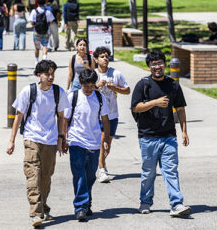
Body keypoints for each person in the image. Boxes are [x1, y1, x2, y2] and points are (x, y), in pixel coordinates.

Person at [7, 60, 70, 227]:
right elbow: (18, 117)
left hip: (50, 139)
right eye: (47, 74)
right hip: (31, 137)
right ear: (38, 75)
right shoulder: (29, 91)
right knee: (33, 175)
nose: (50, 77)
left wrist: (61, 139)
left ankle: (43, 205)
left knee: (46, 177)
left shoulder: (58, 92)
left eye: (52, 74)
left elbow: (61, 117)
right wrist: (12, 140)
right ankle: (36, 214)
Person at [131, 51, 191, 217]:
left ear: (165, 64)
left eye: (159, 63)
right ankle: (145, 201)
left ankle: (176, 204)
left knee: (171, 171)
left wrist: (184, 131)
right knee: (148, 173)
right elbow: (135, 107)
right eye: (153, 64)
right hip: (147, 136)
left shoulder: (173, 85)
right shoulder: (143, 84)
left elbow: (180, 109)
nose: (157, 67)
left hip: (168, 136)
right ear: (149, 67)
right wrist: (155, 103)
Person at [63, 69, 111, 221]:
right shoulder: (73, 97)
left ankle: (86, 202)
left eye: (91, 85)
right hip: (76, 141)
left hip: (94, 142)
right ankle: (80, 207)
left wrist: (106, 141)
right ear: (81, 84)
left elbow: (105, 120)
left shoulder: (100, 97)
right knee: (80, 175)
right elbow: (64, 119)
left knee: (90, 176)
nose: (89, 89)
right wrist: (63, 139)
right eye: (86, 86)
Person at [93, 47, 130, 183]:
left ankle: (101, 163)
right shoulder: (92, 74)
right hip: (97, 116)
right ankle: (102, 170)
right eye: (102, 56)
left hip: (112, 115)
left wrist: (114, 88)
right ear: (96, 59)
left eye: (107, 56)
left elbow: (127, 90)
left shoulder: (116, 74)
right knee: (102, 142)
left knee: (108, 144)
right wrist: (97, 85)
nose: (105, 58)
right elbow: (84, 91)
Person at [29, 0, 54, 65]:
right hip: (46, 32)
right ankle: (44, 59)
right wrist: (47, 24)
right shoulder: (48, 12)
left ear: (37, 3)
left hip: (36, 32)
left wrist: (35, 25)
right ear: (44, 3)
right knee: (45, 46)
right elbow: (51, 21)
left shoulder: (34, 11)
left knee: (37, 47)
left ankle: (36, 61)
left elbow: (31, 22)